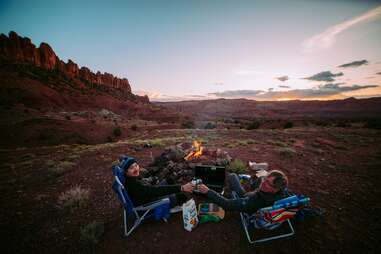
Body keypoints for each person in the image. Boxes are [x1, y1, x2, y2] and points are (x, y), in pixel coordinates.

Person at [197, 170, 288, 213]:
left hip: (246, 198)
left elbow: (226, 204)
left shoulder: (254, 201)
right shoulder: (283, 193)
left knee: (232, 176)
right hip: (255, 194)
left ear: (275, 189)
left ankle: (226, 188)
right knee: (258, 178)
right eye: (266, 179)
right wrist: (262, 182)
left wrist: (208, 191)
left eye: (268, 183)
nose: (264, 183)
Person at [121, 156, 194, 208]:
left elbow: (149, 187)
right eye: (131, 168)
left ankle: (176, 190)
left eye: (136, 165)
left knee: (169, 180)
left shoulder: (131, 178)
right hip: (150, 203)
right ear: (126, 172)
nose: (135, 169)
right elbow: (156, 191)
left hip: (149, 194)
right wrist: (181, 188)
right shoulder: (134, 185)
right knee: (182, 196)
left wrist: (153, 180)